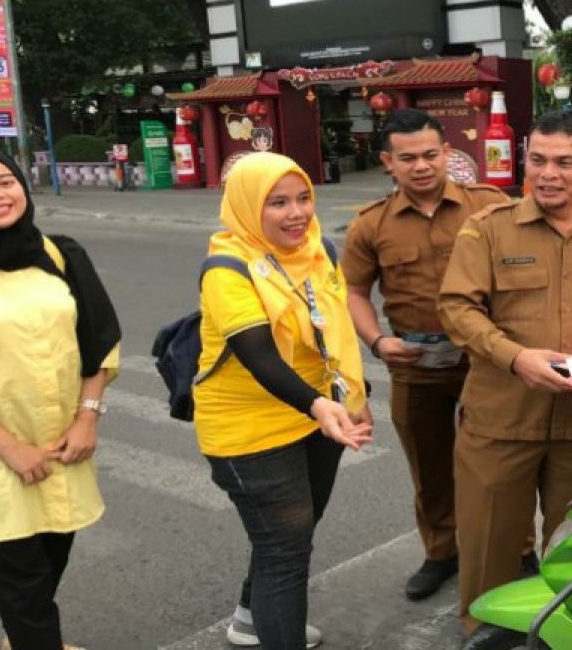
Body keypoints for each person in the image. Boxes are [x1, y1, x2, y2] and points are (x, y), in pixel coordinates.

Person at [438, 111, 572, 635]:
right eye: (537, 160)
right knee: (491, 545)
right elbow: (457, 309)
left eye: (564, 162)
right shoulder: (487, 229)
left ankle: (566, 636)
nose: (548, 173)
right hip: (501, 420)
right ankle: (483, 637)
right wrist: (516, 356)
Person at [195, 152, 373, 650]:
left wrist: (354, 397)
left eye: (302, 199)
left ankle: (251, 618)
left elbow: (334, 332)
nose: (296, 214)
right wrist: (321, 406)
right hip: (250, 430)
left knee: (289, 537)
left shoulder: (320, 250)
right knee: (284, 552)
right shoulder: (227, 268)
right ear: (249, 207)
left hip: (321, 416)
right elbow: (259, 356)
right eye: (277, 203)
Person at [342, 110, 510, 600]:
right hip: (416, 365)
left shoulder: (489, 206)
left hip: (487, 361)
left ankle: (516, 551)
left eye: (431, 155)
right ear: (388, 163)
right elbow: (352, 290)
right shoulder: (371, 224)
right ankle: (441, 553)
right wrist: (377, 342)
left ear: (447, 155)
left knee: (501, 465)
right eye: (408, 158)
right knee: (430, 467)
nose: (422, 166)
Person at [0, 146, 121, 650]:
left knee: (48, 564)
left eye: (5, 181)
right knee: (23, 589)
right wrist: (9, 448)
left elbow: (98, 342)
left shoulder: (58, 254)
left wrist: (87, 420)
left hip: (62, 446)